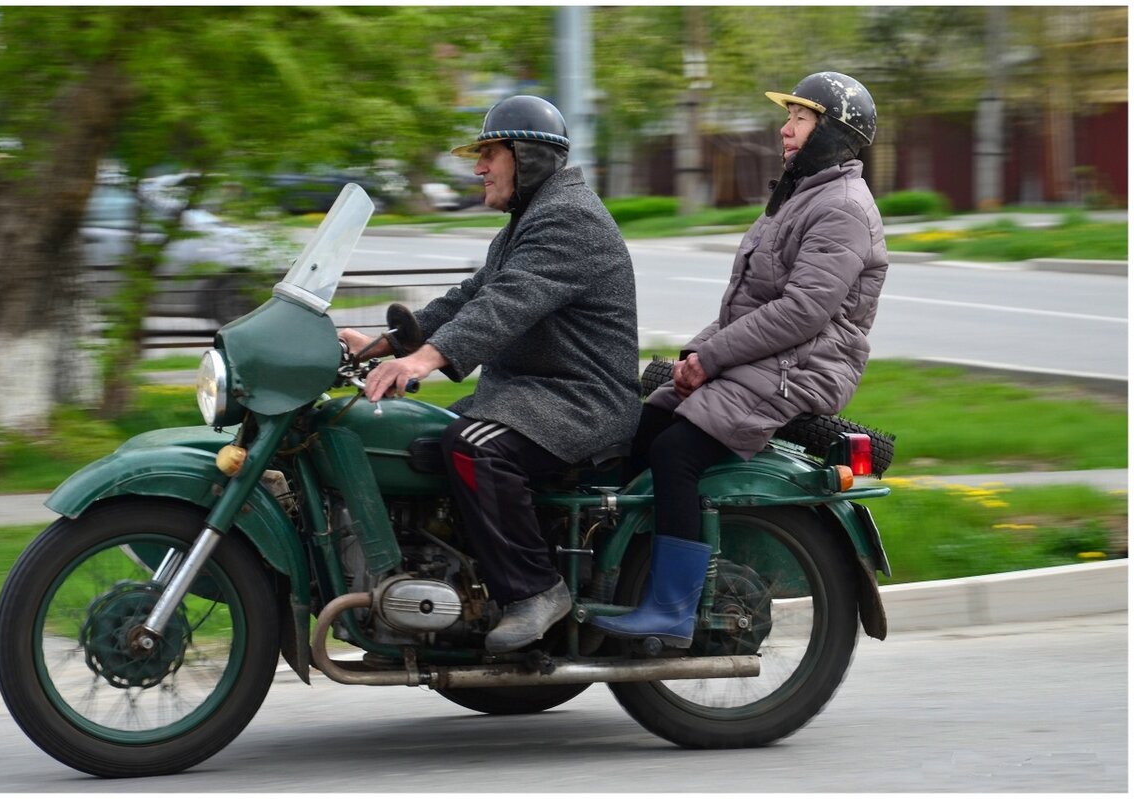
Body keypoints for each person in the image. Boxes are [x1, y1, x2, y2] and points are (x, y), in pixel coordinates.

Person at [593, 71, 889, 648]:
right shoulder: (799, 197)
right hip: (767, 358)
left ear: (834, 132)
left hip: (803, 367)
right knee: (638, 428)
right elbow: (745, 304)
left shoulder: (845, 209)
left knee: (676, 452)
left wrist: (712, 356)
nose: (786, 128)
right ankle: (604, 573)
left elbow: (803, 312)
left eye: (801, 119)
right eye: (791, 117)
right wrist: (694, 355)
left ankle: (673, 609)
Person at [340, 95, 641, 653]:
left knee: (473, 446)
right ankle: (456, 590)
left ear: (527, 156)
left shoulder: (569, 219)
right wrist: (377, 345)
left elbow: (504, 306)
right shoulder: (527, 222)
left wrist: (423, 361)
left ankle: (536, 590)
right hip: (531, 393)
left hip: (580, 399)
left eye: (489, 153)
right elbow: (468, 297)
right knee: (412, 441)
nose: (478, 167)